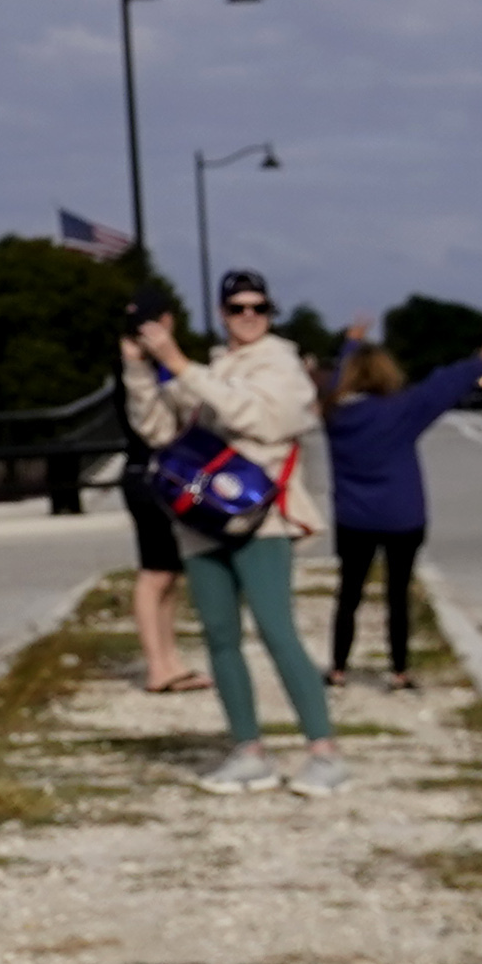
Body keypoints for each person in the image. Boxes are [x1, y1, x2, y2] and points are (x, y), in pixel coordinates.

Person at [126, 271, 344, 794]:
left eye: (258, 307)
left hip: (261, 517)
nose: (248, 316)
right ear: (222, 313)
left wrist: (180, 365)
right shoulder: (213, 366)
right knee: (220, 637)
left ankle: (324, 749)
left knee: (276, 629)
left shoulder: (281, 363)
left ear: (270, 312)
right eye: (237, 308)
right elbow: (158, 428)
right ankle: (248, 749)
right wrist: (138, 368)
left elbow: (262, 420)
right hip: (203, 519)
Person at [321, 333, 482, 692]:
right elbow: (441, 387)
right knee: (398, 594)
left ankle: (337, 669)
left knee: (349, 592)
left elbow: (337, 381)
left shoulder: (334, 414)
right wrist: (481, 360)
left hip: (354, 516)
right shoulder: (402, 410)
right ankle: (399, 671)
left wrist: (350, 347)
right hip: (402, 516)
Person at [117, 302, 206, 694]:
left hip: (159, 475)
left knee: (168, 573)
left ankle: (169, 660)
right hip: (148, 474)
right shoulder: (136, 368)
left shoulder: (150, 364)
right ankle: (157, 665)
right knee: (154, 574)